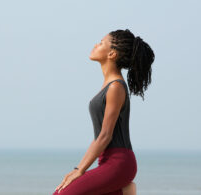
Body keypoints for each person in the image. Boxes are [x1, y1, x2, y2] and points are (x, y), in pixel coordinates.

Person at [52, 29, 155, 195]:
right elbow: (100, 137)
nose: (95, 45)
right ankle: (124, 191)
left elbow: (105, 135)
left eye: (101, 43)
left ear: (112, 54)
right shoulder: (109, 86)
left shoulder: (116, 87)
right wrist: (78, 169)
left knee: (63, 194)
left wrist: (79, 170)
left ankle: (124, 189)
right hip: (107, 160)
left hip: (120, 162)